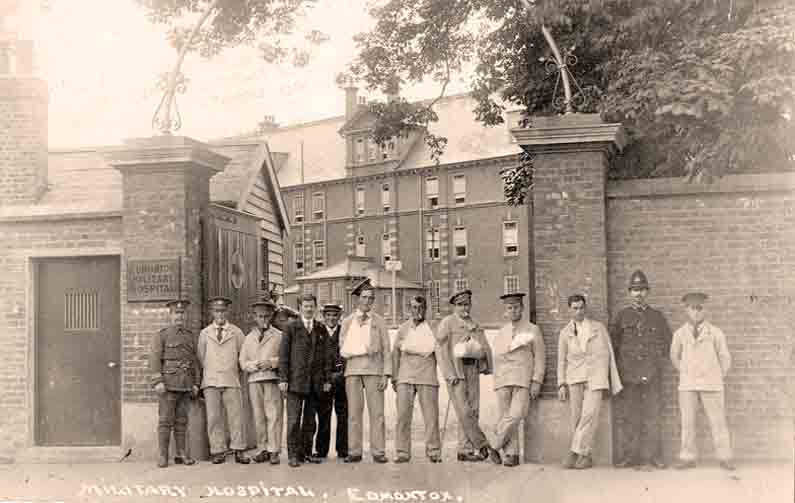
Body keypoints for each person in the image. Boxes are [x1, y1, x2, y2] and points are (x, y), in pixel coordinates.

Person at [610, 270, 672, 469]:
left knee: (653, 416)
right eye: (635, 290)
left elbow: (667, 344)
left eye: (642, 289)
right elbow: (613, 347)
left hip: (652, 375)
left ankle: (654, 457)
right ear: (629, 293)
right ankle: (631, 457)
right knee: (630, 417)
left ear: (648, 292)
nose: (638, 294)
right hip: (629, 377)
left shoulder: (657, 317)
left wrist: (655, 364)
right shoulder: (621, 317)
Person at [436, 289, 502, 464]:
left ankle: (464, 450)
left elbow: (485, 346)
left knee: (473, 410)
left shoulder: (475, 323)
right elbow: (441, 351)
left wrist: (486, 364)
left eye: (467, 304)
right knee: (464, 411)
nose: (464, 308)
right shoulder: (447, 323)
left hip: (472, 370)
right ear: (454, 307)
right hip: (456, 372)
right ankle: (483, 445)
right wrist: (448, 374)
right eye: (460, 305)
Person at [671, 292, 735, 471]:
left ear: (705, 310)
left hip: (712, 384)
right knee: (687, 421)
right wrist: (685, 371)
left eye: (700, 308)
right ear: (686, 310)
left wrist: (716, 375)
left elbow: (725, 358)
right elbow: (674, 356)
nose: (696, 312)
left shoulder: (715, 333)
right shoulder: (680, 334)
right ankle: (687, 457)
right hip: (688, 384)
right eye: (693, 308)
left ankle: (725, 457)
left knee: (718, 421)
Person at [558, 294, 622, 470]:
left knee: (589, 415)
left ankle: (573, 452)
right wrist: (561, 383)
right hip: (575, 378)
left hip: (595, 378)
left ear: (585, 308)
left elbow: (608, 353)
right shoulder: (565, 333)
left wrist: (610, 379)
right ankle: (585, 456)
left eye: (581, 308)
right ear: (569, 309)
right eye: (575, 308)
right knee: (577, 419)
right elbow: (561, 360)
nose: (579, 311)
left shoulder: (598, 328)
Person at [339, 279, 392, 463]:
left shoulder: (379, 322)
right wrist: (362, 348)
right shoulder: (347, 322)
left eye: (371, 298)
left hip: (374, 371)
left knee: (377, 413)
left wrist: (386, 374)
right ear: (357, 300)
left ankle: (378, 451)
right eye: (364, 297)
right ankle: (354, 451)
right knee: (353, 413)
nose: (368, 301)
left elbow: (386, 349)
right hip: (353, 371)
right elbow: (343, 348)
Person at [278, 293, 333, 467]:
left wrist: (326, 379)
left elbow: (326, 356)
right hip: (295, 381)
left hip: (315, 382)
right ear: (300, 307)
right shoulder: (291, 327)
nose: (309, 309)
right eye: (305, 306)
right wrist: (283, 378)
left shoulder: (320, 328)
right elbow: (283, 355)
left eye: (311, 306)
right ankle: (293, 455)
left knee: (310, 421)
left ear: (315, 308)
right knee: (294, 420)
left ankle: (306, 452)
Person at [491, 293, 545, 467]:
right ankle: (511, 455)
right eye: (509, 308)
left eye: (516, 307)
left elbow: (540, 357)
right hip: (503, 380)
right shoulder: (501, 332)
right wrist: (496, 381)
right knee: (506, 416)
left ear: (522, 308)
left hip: (523, 379)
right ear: (505, 311)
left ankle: (494, 444)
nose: (513, 311)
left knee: (516, 415)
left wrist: (536, 380)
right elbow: (496, 358)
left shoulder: (532, 329)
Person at [197, 296, 250, 464]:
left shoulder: (237, 332)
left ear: (228, 312)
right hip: (211, 381)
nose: (220, 314)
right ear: (212, 312)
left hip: (231, 380)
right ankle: (218, 450)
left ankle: (239, 449)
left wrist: (235, 372)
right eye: (216, 311)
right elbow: (201, 357)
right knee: (214, 417)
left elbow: (243, 355)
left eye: (223, 310)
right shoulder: (205, 333)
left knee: (236, 417)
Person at [148, 299, 201, 468]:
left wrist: (196, 383)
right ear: (170, 315)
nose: (180, 316)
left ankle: (181, 454)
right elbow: (154, 360)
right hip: (168, 385)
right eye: (176, 313)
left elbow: (194, 361)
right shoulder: (161, 335)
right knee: (165, 421)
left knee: (182, 421)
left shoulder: (190, 336)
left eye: (182, 313)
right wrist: (157, 381)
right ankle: (163, 455)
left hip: (185, 384)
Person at [392, 295, 442, 463]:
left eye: (420, 308)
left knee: (431, 416)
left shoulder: (433, 328)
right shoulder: (403, 329)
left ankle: (434, 451)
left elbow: (441, 353)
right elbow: (395, 354)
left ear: (425, 309)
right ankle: (402, 452)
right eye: (414, 307)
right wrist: (394, 377)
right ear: (409, 309)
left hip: (427, 376)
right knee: (403, 416)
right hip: (405, 377)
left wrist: (450, 375)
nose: (417, 311)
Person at [239, 299, 283, 465]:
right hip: (254, 380)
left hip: (271, 379)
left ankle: (274, 450)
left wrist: (272, 362)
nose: (263, 319)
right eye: (260, 316)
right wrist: (253, 365)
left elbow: (284, 358)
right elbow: (242, 361)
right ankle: (262, 448)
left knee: (273, 415)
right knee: (258, 416)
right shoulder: (249, 338)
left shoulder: (278, 336)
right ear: (254, 317)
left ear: (271, 316)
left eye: (266, 316)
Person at [312, 303, 347, 460]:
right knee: (323, 416)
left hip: (341, 381)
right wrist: (325, 379)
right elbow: (316, 358)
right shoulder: (318, 332)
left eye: (335, 315)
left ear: (339, 317)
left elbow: (347, 354)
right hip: (324, 382)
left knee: (343, 415)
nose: (331, 318)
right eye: (328, 315)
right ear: (323, 316)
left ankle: (343, 449)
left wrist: (340, 375)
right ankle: (321, 449)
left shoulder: (344, 331)